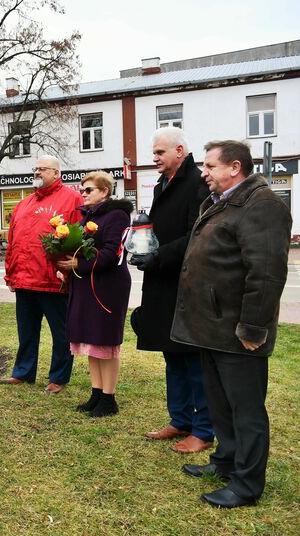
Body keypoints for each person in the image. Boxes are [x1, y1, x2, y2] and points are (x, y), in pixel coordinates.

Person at [172, 140, 291, 508]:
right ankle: (225, 461)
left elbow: (267, 272)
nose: (203, 172)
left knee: (247, 410)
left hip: (239, 331)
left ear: (235, 167)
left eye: (209, 166)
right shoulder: (221, 202)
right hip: (212, 326)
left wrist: (253, 326)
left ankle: (246, 484)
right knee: (221, 403)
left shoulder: (263, 205)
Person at [129, 127, 214, 453]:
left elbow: (197, 233)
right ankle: (179, 420)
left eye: (160, 153)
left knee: (192, 359)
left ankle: (203, 430)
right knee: (171, 355)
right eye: (154, 153)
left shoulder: (196, 183)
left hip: (186, 282)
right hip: (163, 281)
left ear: (180, 150)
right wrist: (141, 242)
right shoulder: (165, 183)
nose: (154, 159)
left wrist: (158, 255)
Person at [1, 155, 83, 393]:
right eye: (35, 169)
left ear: (57, 173)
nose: (37, 172)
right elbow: (13, 242)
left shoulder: (72, 199)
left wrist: (71, 268)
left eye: (43, 169)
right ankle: (23, 372)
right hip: (25, 281)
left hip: (53, 282)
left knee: (61, 334)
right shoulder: (24, 204)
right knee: (26, 332)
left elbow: (81, 238)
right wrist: (11, 275)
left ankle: (58, 377)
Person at [55, 172, 133, 417]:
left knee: (105, 342)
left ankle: (109, 399)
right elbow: (78, 249)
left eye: (89, 190)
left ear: (104, 191)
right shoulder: (84, 218)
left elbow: (112, 252)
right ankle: (96, 393)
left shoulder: (117, 215)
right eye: (82, 189)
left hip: (107, 287)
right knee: (90, 342)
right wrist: (65, 268)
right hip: (86, 286)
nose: (83, 193)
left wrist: (78, 265)